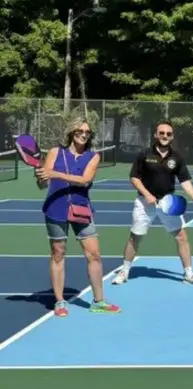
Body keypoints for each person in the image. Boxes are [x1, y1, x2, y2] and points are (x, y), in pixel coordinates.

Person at [36, 117, 121, 317]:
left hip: (81, 208)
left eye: (87, 132)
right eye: (79, 131)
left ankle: (99, 301)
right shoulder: (55, 152)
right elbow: (42, 184)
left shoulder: (93, 157)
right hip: (55, 208)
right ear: (71, 133)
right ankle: (60, 302)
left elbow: (84, 180)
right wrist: (40, 176)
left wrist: (54, 173)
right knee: (58, 253)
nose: (83, 134)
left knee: (94, 254)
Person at [111, 120, 193, 286]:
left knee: (182, 237)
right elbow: (134, 178)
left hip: (168, 204)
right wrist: (147, 195)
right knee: (135, 237)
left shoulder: (176, 158)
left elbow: (185, 181)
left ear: (172, 137)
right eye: (161, 133)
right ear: (155, 135)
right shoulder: (144, 154)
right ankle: (124, 271)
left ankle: (189, 274)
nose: (165, 136)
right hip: (144, 203)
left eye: (168, 134)